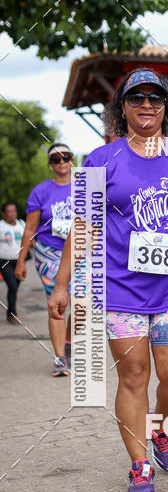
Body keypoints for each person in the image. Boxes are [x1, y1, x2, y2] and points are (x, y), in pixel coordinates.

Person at [49, 68, 168, 492]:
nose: (147, 104)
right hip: (119, 290)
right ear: (121, 108)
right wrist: (61, 284)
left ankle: (158, 426)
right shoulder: (99, 159)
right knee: (133, 376)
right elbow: (84, 225)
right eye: (136, 97)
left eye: (155, 97)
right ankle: (139, 465)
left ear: (166, 107)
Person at [15, 144, 73, 375]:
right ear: (50, 164)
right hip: (49, 252)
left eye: (65, 157)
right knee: (56, 301)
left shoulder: (84, 189)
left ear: (71, 160)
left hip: (79, 252)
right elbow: (30, 228)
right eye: (56, 159)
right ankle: (60, 359)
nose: (62, 162)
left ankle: (68, 343)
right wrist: (21, 261)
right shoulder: (40, 191)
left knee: (84, 303)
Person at [0, 202, 25, 323]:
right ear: (3, 214)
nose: (13, 213)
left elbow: (29, 240)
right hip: (5, 261)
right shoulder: (1, 226)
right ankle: (12, 314)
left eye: (14, 210)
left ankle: (10, 313)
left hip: (19, 262)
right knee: (12, 286)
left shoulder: (22, 224)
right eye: (9, 211)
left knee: (14, 288)